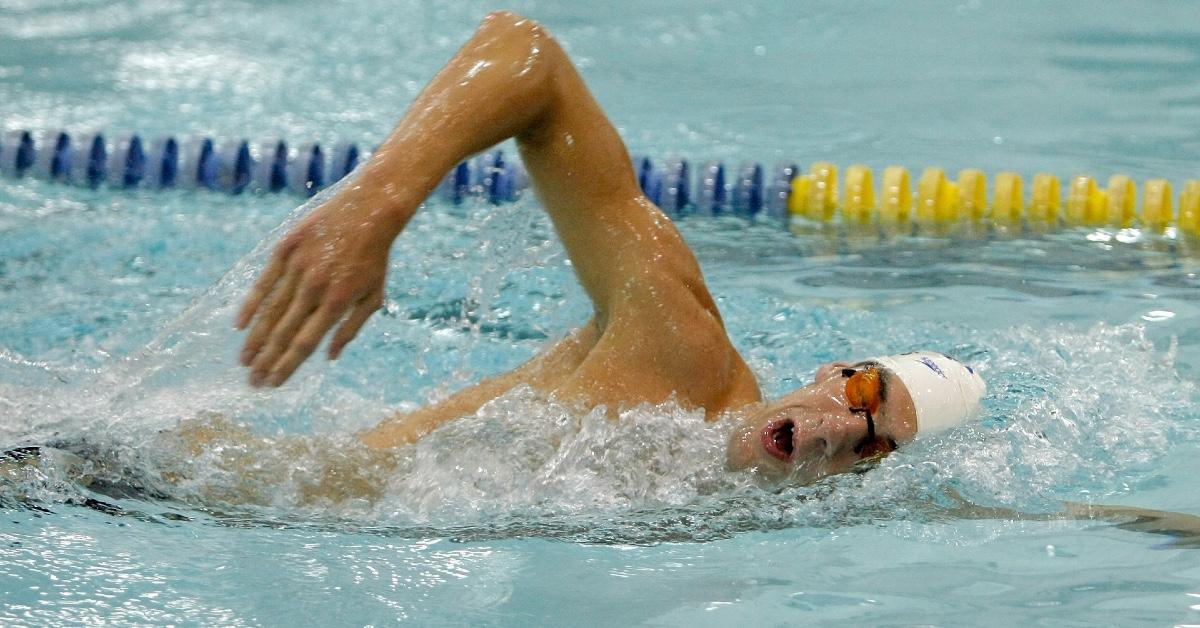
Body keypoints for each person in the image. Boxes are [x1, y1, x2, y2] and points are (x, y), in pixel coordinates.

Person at [234, 10, 987, 485]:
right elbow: (528, 55)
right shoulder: (680, 351)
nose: (836, 431)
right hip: (203, 483)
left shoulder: (744, 504)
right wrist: (377, 206)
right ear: (835, 368)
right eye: (859, 397)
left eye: (873, 446)